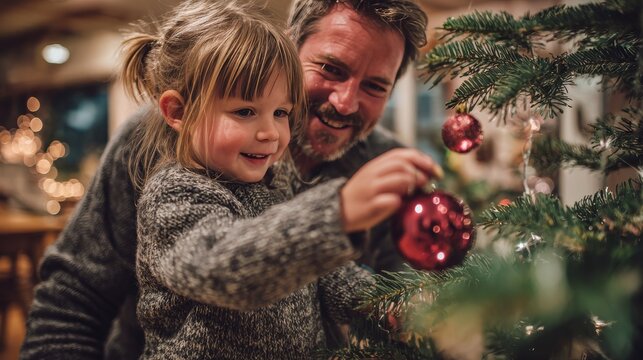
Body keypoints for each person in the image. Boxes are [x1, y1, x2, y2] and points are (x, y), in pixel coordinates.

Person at [20, 0, 437, 358]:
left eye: (375, 86)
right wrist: (336, 214)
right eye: (330, 68)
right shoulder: (167, 176)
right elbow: (218, 264)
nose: (345, 102)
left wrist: (388, 305)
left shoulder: (371, 168)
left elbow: (327, 275)